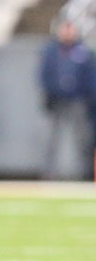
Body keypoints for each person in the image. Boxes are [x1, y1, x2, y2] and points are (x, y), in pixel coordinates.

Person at [39, 18, 96, 180]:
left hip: (78, 100)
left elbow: (90, 77)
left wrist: (89, 98)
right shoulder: (51, 51)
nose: (67, 32)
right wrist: (49, 94)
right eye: (65, 29)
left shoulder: (83, 51)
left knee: (82, 139)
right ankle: (49, 173)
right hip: (57, 100)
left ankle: (85, 173)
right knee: (52, 139)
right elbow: (44, 75)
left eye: (70, 29)